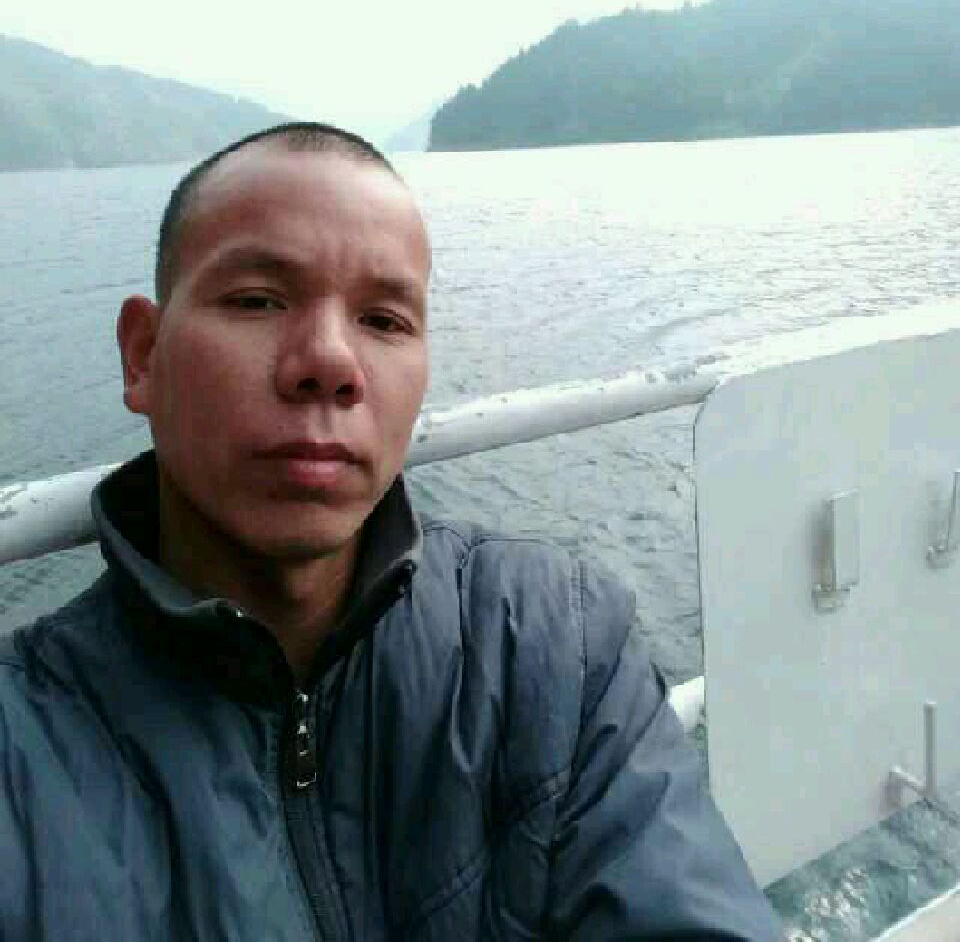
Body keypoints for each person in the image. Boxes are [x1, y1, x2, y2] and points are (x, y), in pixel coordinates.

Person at [0, 122, 783, 940]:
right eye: (258, 300)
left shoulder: (556, 646)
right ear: (143, 356)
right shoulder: (22, 752)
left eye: (383, 319)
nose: (330, 361)